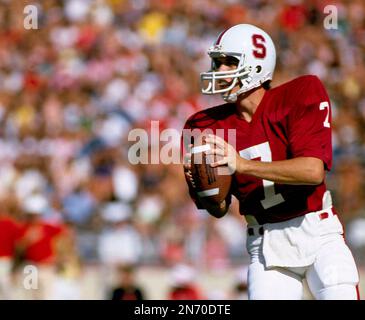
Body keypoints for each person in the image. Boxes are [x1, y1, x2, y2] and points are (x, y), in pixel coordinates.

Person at [182, 24, 360, 300]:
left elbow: (312, 170)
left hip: (318, 232)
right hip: (264, 244)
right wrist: (206, 192)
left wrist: (242, 164)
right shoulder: (204, 125)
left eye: (228, 62)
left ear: (255, 66)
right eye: (217, 62)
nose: (218, 70)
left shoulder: (300, 93)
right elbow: (219, 209)